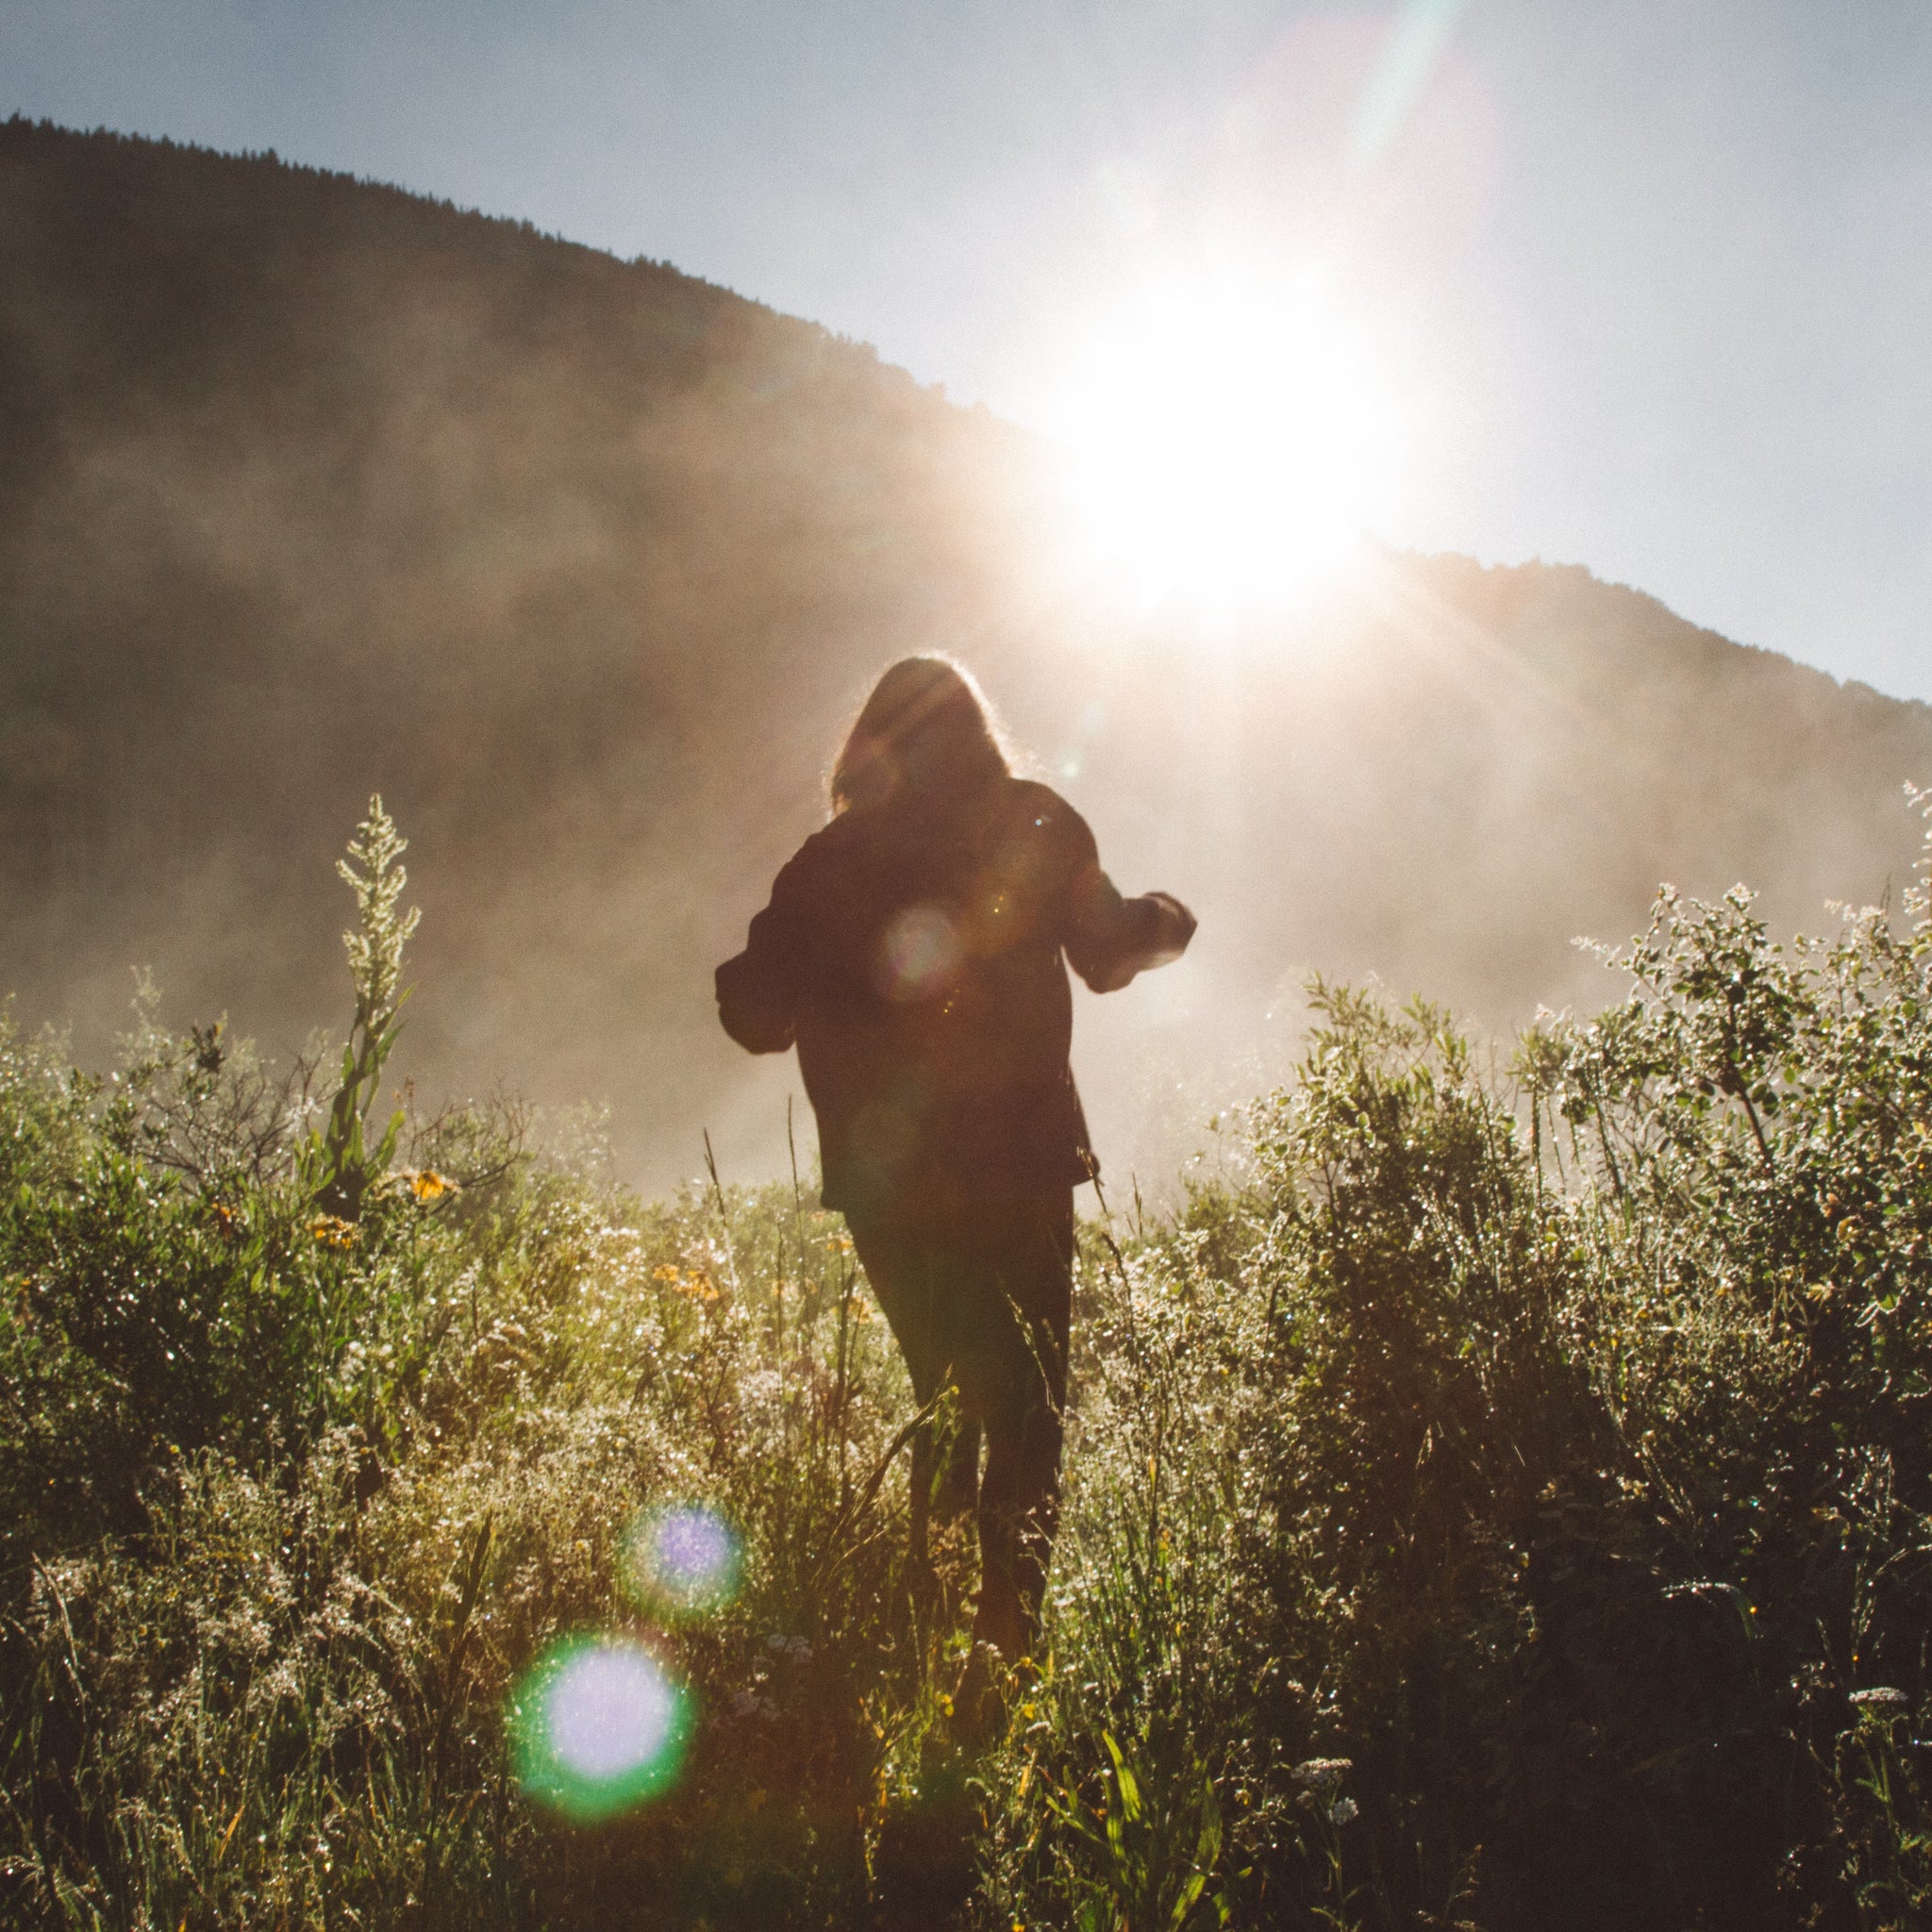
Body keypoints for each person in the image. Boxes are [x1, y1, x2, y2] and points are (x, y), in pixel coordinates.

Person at [714, 656, 1194, 1679]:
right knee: (1027, 1407)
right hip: (1017, 1160)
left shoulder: (826, 860)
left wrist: (800, 968)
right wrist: (1167, 921)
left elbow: (754, 1015)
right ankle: (1006, 1651)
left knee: (941, 1387)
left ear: (865, 745)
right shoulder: (1032, 820)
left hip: (888, 1181)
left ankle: (929, 1644)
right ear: (977, 732)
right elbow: (1108, 953)